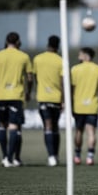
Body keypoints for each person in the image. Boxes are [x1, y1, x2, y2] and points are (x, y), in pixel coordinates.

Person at [0, 32, 33, 167]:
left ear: (6, 41)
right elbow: (30, 77)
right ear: (18, 42)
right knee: (15, 128)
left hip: (1, 96)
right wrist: (28, 91)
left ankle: (4, 156)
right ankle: (10, 158)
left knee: (0, 126)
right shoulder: (24, 57)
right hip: (16, 96)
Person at [71, 47, 98, 165]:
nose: (78, 55)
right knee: (91, 132)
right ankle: (90, 157)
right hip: (93, 105)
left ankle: (77, 155)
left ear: (86, 55)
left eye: (80, 54)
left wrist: (70, 103)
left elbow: (71, 88)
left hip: (78, 106)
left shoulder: (75, 69)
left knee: (78, 131)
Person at [33, 35, 63, 166]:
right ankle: (54, 155)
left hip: (43, 97)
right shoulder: (61, 60)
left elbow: (35, 77)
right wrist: (64, 99)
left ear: (47, 44)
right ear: (58, 46)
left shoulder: (37, 59)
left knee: (48, 126)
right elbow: (63, 82)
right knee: (55, 126)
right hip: (56, 98)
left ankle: (51, 156)